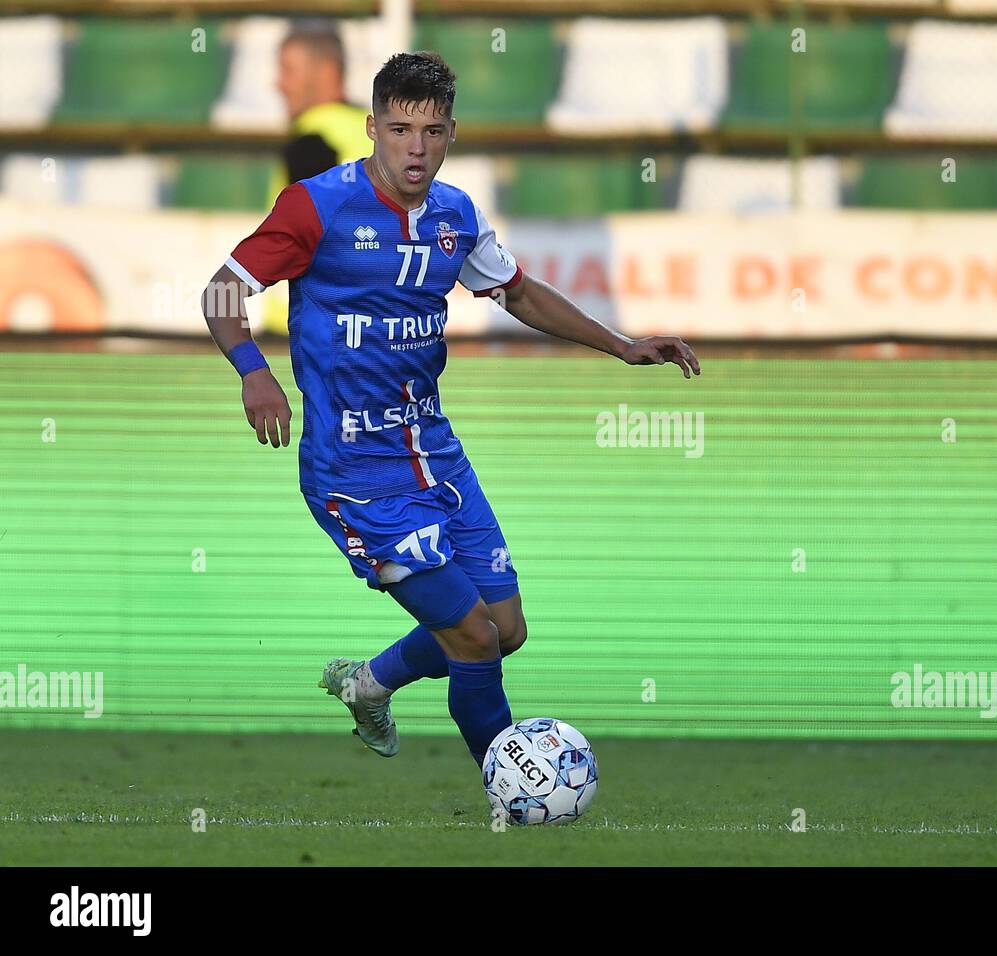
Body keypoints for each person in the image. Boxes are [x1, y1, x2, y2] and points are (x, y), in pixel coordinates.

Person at [200, 52, 700, 769]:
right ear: (372, 127)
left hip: (433, 451)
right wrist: (255, 372)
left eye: (432, 131)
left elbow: (520, 293)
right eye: (400, 129)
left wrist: (621, 345)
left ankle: (369, 683)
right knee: (472, 637)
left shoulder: (454, 215)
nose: (416, 147)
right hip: (355, 472)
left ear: (451, 134)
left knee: (505, 627)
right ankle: (514, 789)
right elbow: (221, 292)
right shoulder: (317, 206)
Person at [262, 23, 372, 337]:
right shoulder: (378, 132)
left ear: (325, 73)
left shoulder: (314, 136)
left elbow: (311, 241)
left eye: (288, 70)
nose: (279, 84)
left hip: (305, 331)